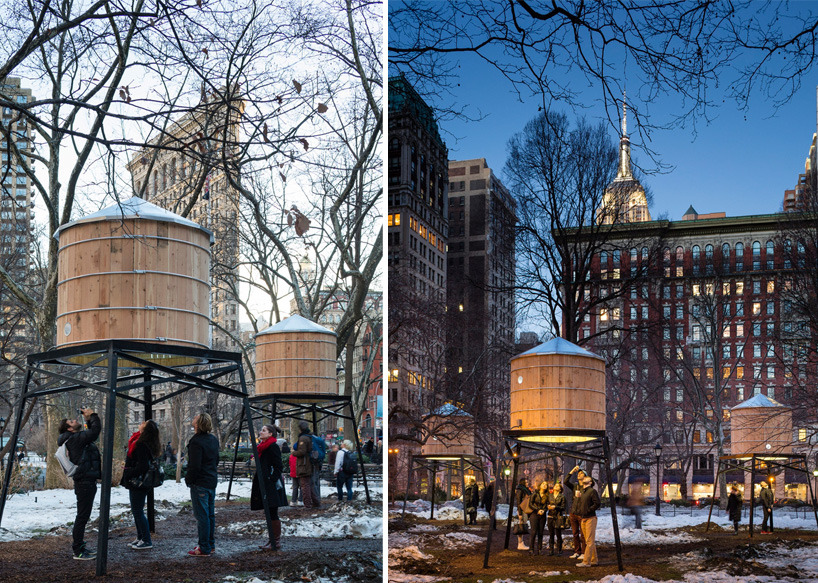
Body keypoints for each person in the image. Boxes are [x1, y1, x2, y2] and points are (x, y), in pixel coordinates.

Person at [58, 407, 101, 560]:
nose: (75, 420)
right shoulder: (74, 439)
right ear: (69, 428)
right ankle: (78, 551)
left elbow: (90, 436)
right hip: (85, 483)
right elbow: (94, 433)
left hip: (85, 481)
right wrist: (93, 416)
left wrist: (89, 419)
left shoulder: (75, 438)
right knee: (82, 517)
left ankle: (80, 547)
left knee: (83, 516)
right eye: (71, 421)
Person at [122, 419, 161, 550]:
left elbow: (142, 465)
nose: (141, 423)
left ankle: (146, 539)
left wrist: (129, 472)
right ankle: (140, 537)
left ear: (146, 429)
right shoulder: (144, 442)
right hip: (140, 481)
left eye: (144, 423)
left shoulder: (141, 444)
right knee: (136, 510)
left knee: (137, 511)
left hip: (137, 481)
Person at [185, 413, 219, 557]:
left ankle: (204, 547)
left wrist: (189, 479)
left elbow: (195, 465)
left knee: (202, 516)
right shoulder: (213, 439)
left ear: (198, 423)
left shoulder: (196, 442)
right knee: (209, 515)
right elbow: (216, 459)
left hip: (200, 482)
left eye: (195, 417)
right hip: (211, 480)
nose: (193, 419)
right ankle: (209, 544)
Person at [250, 424, 286, 550]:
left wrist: (271, 479)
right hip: (265, 483)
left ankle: (275, 541)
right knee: (269, 512)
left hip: (270, 485)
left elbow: (278, 466)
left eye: (263, 430)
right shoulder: (263, 447)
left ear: (270, 434)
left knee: (272, 512)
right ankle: (272, 539)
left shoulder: (272, 447)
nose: (261, 432)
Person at [564, 465, 592, 560]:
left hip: (582, 513)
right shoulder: (575, 486)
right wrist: (572, 471)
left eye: (581, 473)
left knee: (583, 534)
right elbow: (565, 482)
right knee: (575, 533)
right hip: (573, 512)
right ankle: (577, 552)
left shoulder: (587, 487)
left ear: (585, 476)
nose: (579, 474)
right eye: (578, 473)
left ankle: (584, 552)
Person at [576, 475, 601, 567]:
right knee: (589, 541)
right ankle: (594, 560)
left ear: (590, 482)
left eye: (587, 479)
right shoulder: (583, 492)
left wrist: (588, 510)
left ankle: (586, 562)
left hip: (590, 518)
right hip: (583, 518)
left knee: (589, 541)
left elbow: (597, 503)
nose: (585, 479)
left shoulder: (592, 491)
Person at [292, 420, 316, 508]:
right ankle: (315, 502)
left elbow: (302, 452)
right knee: (309, 484)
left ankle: (307, 504)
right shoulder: (310, 436)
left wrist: (294, 453)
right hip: (309, 464)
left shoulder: (303, 438)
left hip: (304, 465)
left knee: (304, 485)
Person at [528, 480, 549, 555]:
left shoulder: (547, 495)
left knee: (540, 532)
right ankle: (531, 549)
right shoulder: (535, 493)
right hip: (534, 514)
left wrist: (544, 510)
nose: (544, 485)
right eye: (543, 484)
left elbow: (547, 505)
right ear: (540, 486)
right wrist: (537, 509)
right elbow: (530, 504)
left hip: (542, 515)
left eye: (546, 484)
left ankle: (540, 549)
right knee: (533, 532)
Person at [547, 481, 566, 556]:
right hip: (550, 516)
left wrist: (556, 507)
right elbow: (546, 504)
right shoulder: (550, 495)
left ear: (560, 489)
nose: (556, 487)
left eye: (558, 486)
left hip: (558, 517)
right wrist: (548, 507)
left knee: (558, 534)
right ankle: (551, 550)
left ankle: (559, 550)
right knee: (551, 534)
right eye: (555, 485)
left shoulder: (562, 497)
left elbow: (563, 507)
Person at [514, 477, 532, 551]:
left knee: (522, 525)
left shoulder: (525, 489)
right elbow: (519, 502)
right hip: (522, 509)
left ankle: (521, 543)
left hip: (525, 509)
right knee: (521, 526)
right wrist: (520, 513)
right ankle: (520, 543)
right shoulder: (520, 489)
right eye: (526, 482)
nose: (527, 483)